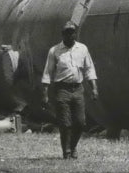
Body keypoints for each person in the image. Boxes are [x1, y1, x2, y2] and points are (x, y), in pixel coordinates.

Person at [41, 21, 98, 159]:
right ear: (62, 34)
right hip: (62, 89)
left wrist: (94, 88)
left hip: (78, 89)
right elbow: (47, 72)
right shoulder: (54, 51)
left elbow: (89, 69)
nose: (70, 35)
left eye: (72, 32)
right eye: (66, 32)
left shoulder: (83, 49)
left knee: (80, 122)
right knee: (65, 123)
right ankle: (66, 152)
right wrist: (45, 94)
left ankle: (73, 147)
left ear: (75, 33)